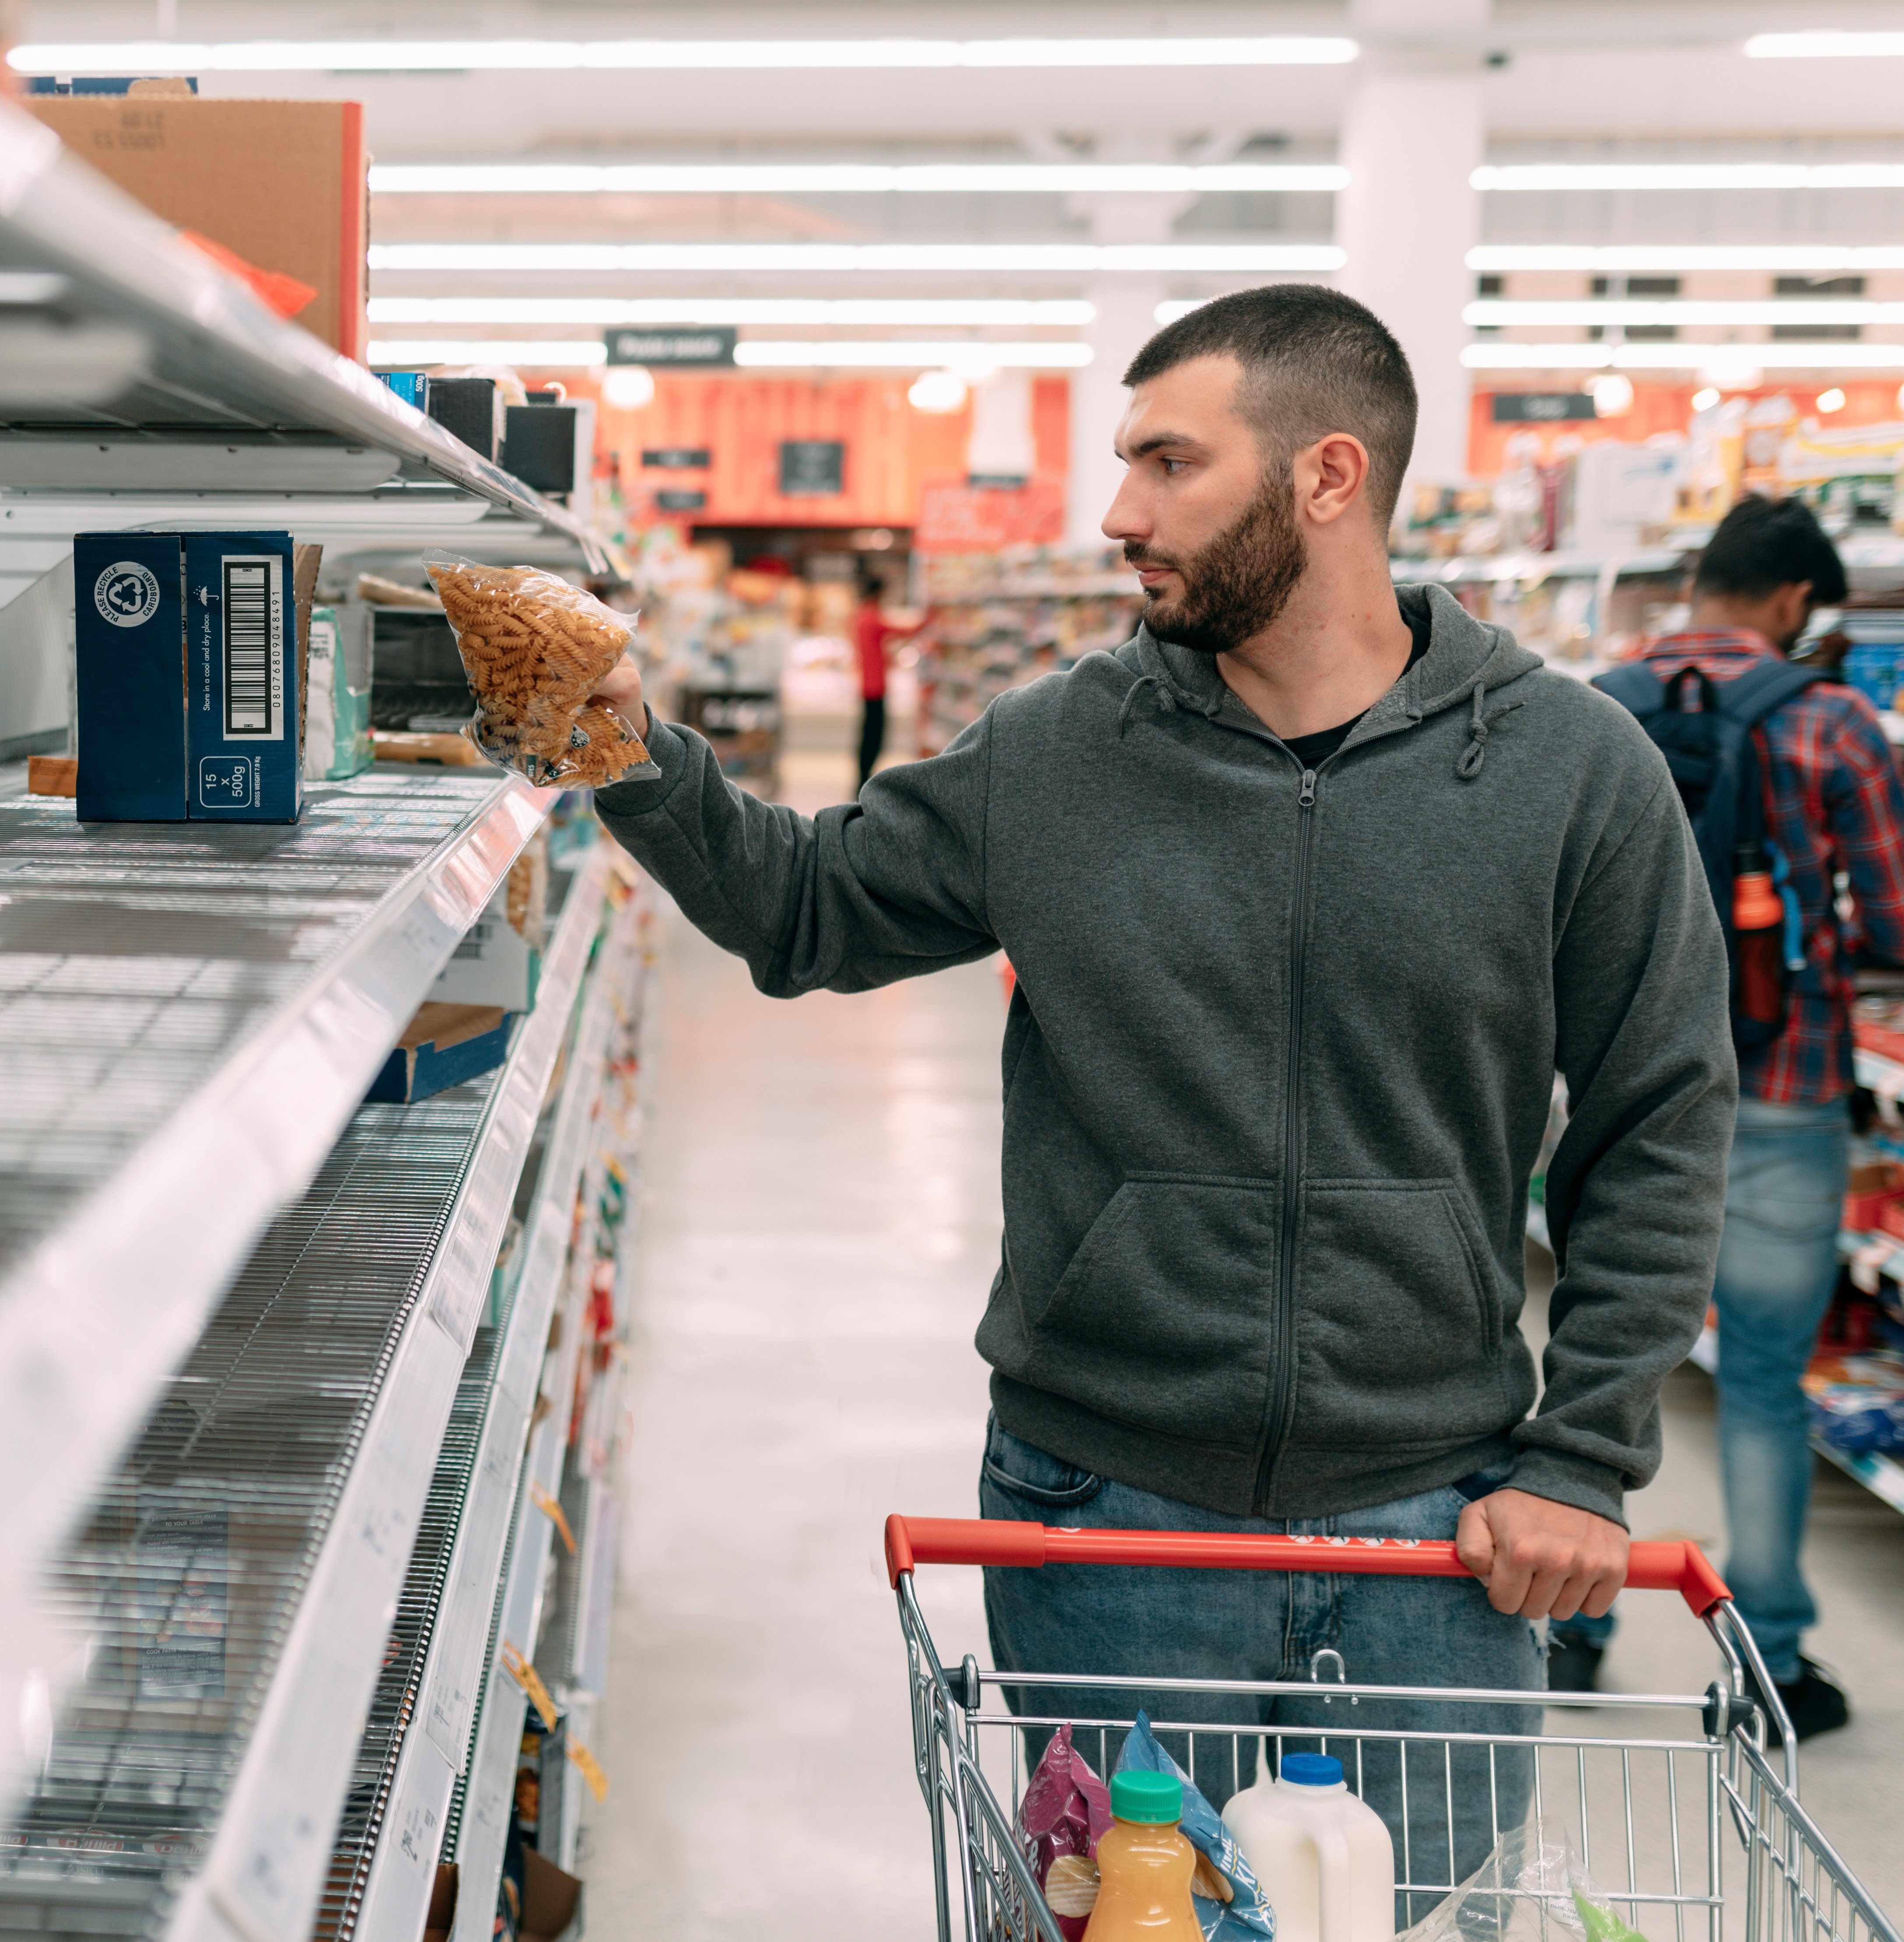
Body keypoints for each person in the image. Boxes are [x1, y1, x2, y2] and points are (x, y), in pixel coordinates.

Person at [583, 284, 1732, 1917]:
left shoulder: (1567, 768)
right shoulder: (1057, 750)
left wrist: (1581, 1455)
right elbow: (802, 908)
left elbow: (1659, 1110)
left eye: (1164, 463)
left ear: (1324, 477)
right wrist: (621, 743)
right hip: (1102, 1509)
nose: (1116, 513)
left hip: (1441, 1521)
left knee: (1411, 1916)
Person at [1547, 494, 1893, 1737]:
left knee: (1604, 1360)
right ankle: (1769, 1668)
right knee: (1757, 1380)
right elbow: (1896, 922)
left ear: (1700, 581)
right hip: (1783, 1091)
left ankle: (1571, 1627)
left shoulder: (1584, 709)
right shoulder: (1833, 724)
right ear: (1797, 602)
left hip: (1617, 1096)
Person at [852, 571, 898, 788]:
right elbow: (899, 630)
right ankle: (865, 776)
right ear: (879, 592)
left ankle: (863, 775)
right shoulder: (872, 616)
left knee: (867, 733)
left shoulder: (861, 615)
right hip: (875, 687)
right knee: (874, 735)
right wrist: (928, 619)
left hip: (868, 685)